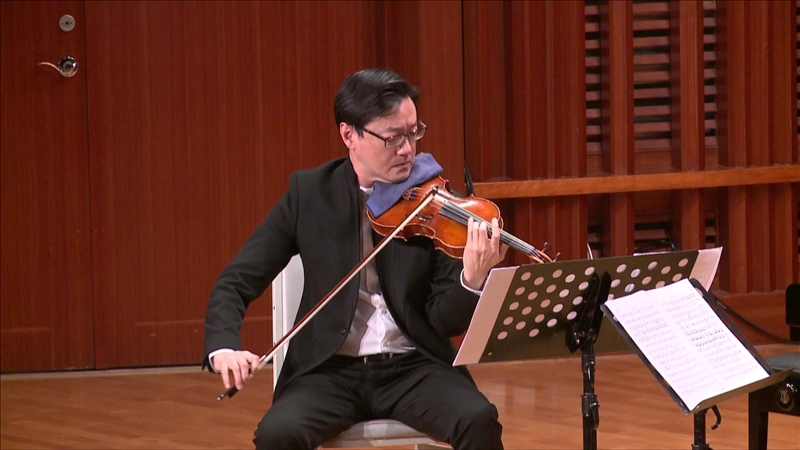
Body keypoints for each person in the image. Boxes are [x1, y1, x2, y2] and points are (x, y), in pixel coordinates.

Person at [203, 68, 507, 450]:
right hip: (329, 372)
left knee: (478, 419)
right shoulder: (309, 195)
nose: (407, 149)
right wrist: (223, 348)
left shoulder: (435, 204)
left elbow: (443, 322)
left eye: (413, 132)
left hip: (414, 367)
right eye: (392, 137)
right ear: (349, 135)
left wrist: (472, 280)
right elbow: (236, 281)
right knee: (277, 434)